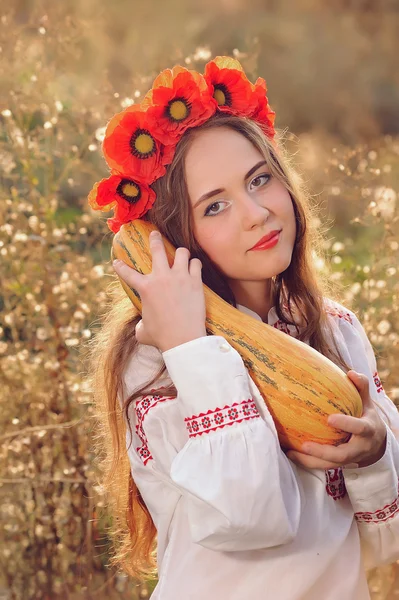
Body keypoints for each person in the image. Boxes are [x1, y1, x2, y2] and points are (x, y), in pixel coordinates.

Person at [89, 57, 399, 600]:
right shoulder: (156, 369)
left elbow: (384, 545)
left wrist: (374, 457)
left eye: (261, 179)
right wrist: (193, 348)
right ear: (172, 241)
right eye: (215, 207)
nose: (256, 213)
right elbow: (251, 521)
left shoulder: (336, 333)